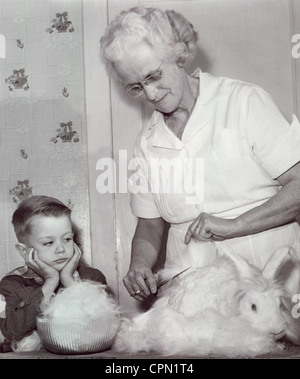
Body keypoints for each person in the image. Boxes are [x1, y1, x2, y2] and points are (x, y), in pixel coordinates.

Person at [100, 6, 300, 301]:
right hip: (192, 292)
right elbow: (150, 224)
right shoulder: (146, 143)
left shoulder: (243, 102)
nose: (151, 95)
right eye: (136, 87)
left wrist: (234, 225)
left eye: (154, 76)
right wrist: (140, 263)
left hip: (271, 279)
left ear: (180, 54)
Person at [0, 195, 107, 349]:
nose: (61, 249)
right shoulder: (10, 284)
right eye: (48, 242)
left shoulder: (92, 277)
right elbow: (10, 331)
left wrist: (69, 281)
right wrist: (50, 281)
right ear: (24, 251)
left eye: (67, 239)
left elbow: (105, 323)